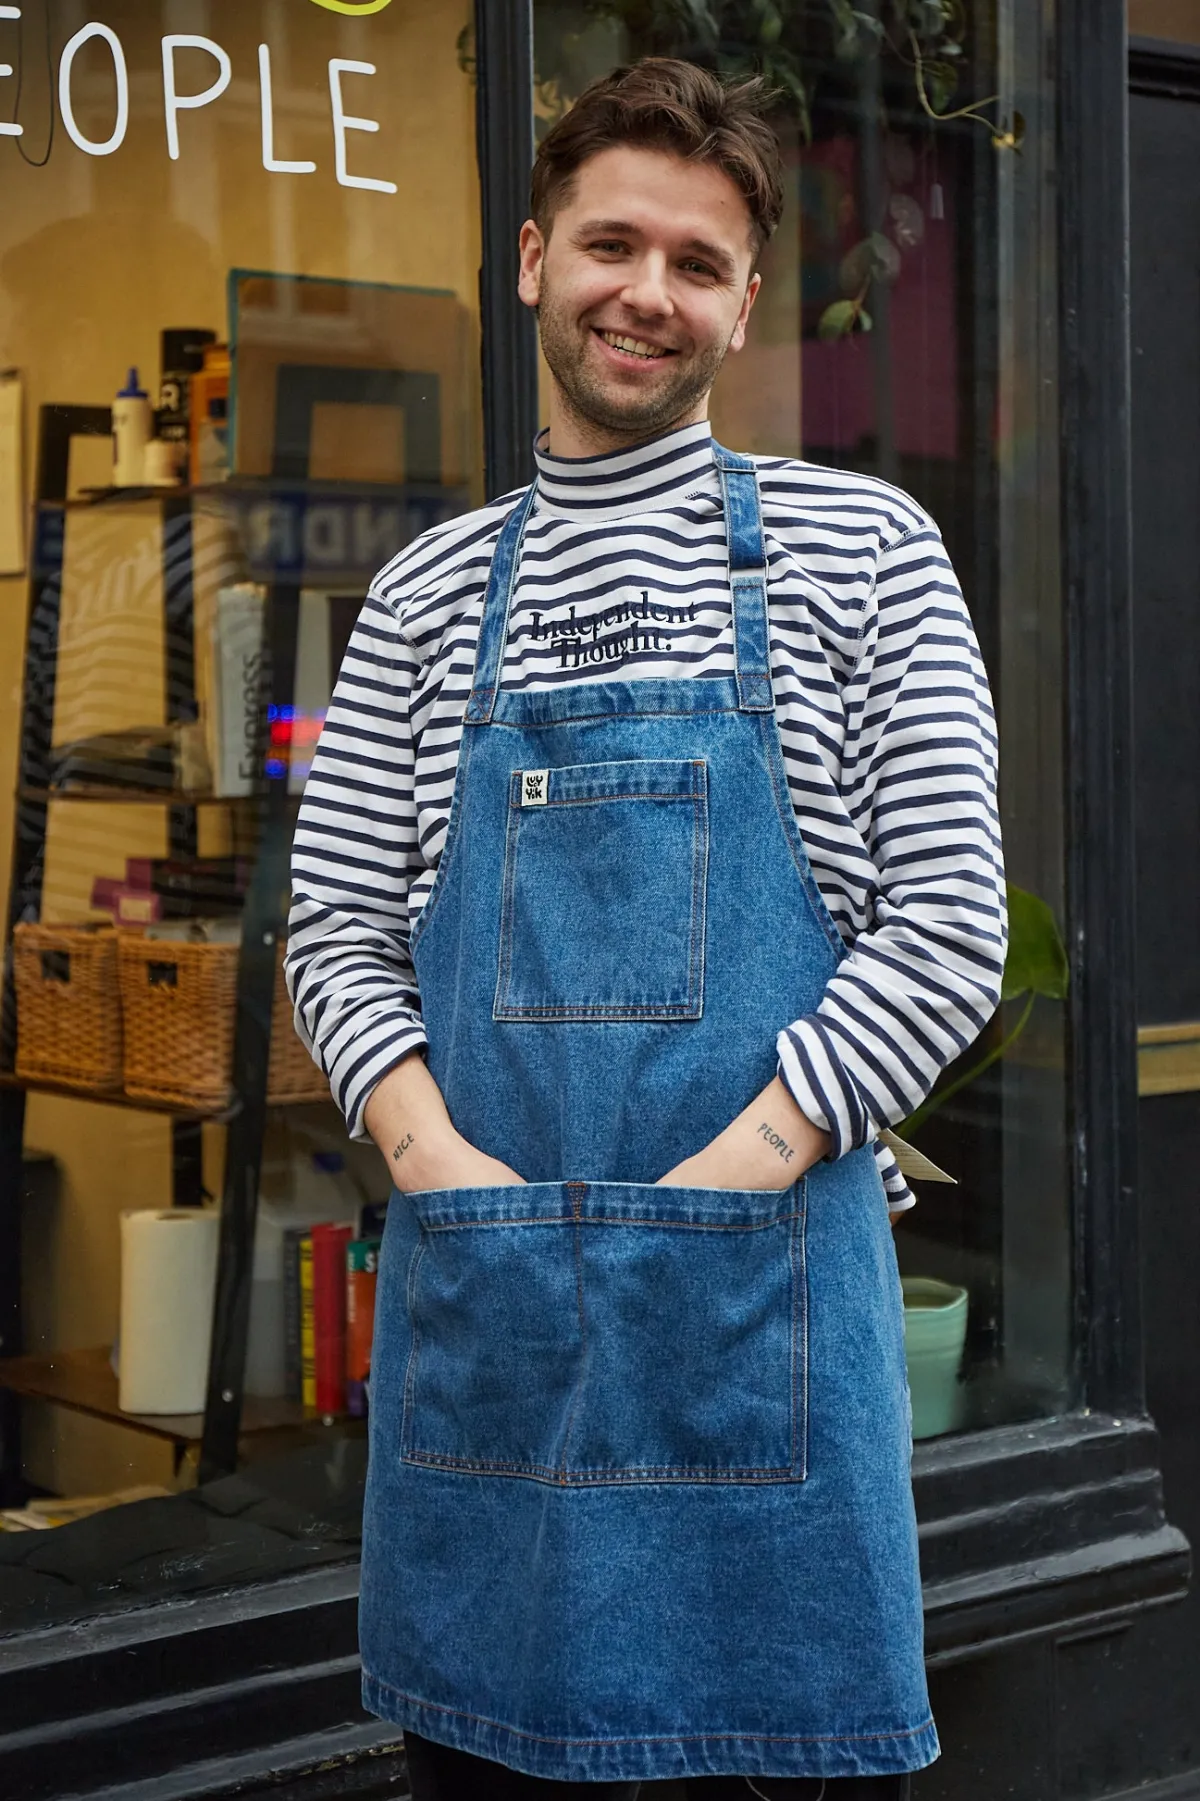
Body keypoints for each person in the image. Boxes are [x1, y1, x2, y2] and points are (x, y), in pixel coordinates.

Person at [285, 58, 1005, 1801]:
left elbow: (951, 930)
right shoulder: (424, 594)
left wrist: (705, 1200)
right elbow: (333, 929)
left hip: (759, 1338)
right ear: (530, 257)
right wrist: (443, 1174)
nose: (648, 295)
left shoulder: (864, 553)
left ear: (745, 300)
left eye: (698, 263)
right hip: (498, 1332)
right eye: (613, 244)